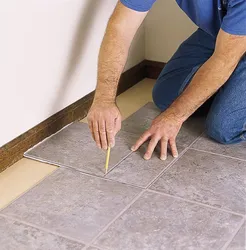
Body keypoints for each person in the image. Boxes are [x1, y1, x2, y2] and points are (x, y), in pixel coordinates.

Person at [87, 0, 246, 161]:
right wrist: (104, 99)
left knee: (223, 128)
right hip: (221, 33)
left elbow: (224, 60)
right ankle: (229, 81)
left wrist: (174, 117)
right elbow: (120, 29)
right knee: (165, 96)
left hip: (232, 41)